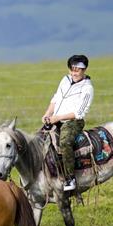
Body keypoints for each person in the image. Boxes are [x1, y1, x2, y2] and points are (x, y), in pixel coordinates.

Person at [42, 54, 94, 191]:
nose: (74, 72)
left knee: (65, 142)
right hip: (56, 117)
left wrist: (58, 118)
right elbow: (56, 98)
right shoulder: (65, 79)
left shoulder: (87, 88)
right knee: (40, 138)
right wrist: (48, 113)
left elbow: (79, 113)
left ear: (84, 70)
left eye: (78, 69)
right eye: (72, 69)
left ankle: (70, 178)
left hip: (72, 122)